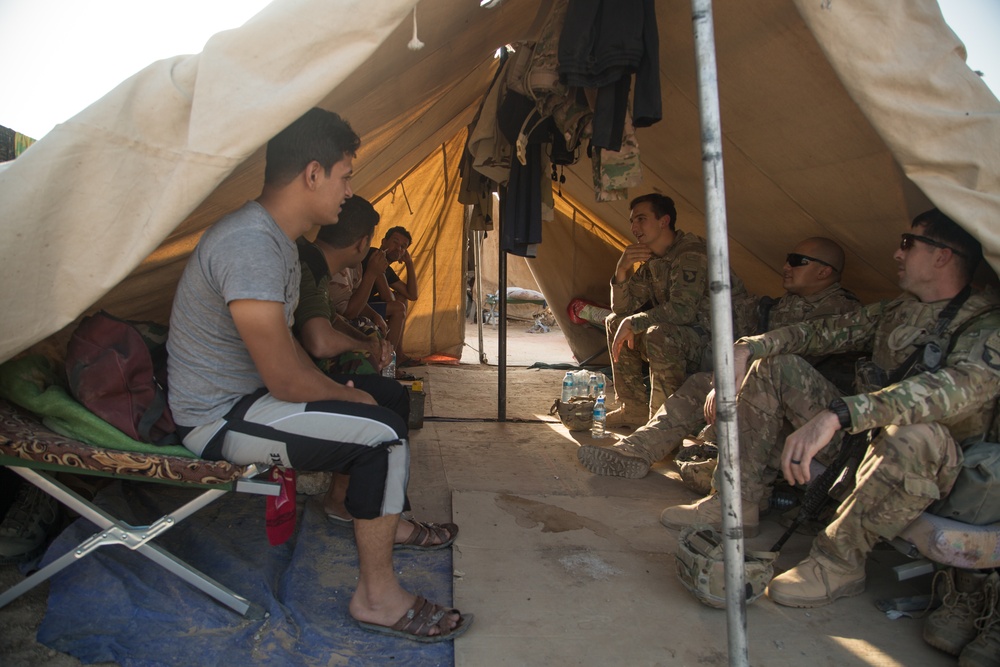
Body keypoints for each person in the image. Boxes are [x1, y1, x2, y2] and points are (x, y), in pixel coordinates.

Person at [165, 108, 471, 641]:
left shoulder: (277, 241)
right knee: (379, 435)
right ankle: (376, 598)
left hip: (253, 397)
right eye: (345, 176)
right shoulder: (251, 244)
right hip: (217, 417)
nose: (349, 192)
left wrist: (342, 391)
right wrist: (345, 398)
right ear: (312, 174)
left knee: (379, 408)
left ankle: (376, 525)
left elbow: (288, 358)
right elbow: (286, 375)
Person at [659, 208, 1000, 609]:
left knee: (915, 432)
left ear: (943, 255)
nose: (896, 253)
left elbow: (945, 392)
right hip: (867, 446)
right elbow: (823, 331)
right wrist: (750, 346)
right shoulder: (900, 310)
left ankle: (840, 562)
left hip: (939, 470)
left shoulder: (985, 325)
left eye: (908, 243)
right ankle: (738, 503)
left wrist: (839, 414)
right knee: (774, 366)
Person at [578, 237, 859, 478]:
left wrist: (731, 381)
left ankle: (733, 483)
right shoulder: (784, 305)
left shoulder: (841, 311)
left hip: (805, 419)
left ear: (824, 272)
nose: (786, 266)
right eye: (788, 259)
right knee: (701, 384)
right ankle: (636, 451)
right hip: (764, 399)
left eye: (797, 261)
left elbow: (790, 364)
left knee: (703, 468)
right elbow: (720, 315)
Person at [604, 193, 756, 427]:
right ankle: (633, 409)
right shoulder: (655, 257)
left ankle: (663, 425)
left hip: (717, 342)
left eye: (641, 219)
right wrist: (621, 269)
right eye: (632, 221)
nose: (634, 227)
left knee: (659, 334)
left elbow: (682, 311)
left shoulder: (691, 253)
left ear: (664, 221)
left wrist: (634, 322)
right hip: (688, 335)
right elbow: (622, 308)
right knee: (615, 322)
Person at [362, 226, 419, 365]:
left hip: (367, 303)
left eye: (403, 247)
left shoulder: (388, 269)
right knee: (398, 308)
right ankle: (388, 362)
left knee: (402, 299)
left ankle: (398, 354)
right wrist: (395, 302)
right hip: (356, 304)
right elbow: (388, 298)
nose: (398, 248)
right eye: (395, 242)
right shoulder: (375, 256)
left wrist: (409, 263)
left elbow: (412, 294)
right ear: (383, 242)